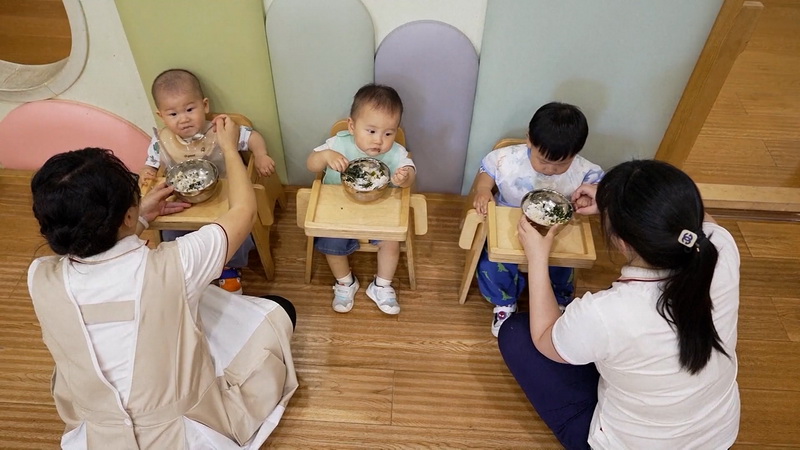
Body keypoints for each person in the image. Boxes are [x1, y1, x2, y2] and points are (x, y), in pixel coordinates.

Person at [27, 116, 298, 449]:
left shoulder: (39, 277)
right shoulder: (178, 264)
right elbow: (243, 210)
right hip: (188, 432)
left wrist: (138, 220)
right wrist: (230, 148)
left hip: (97, 435)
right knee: (280, 309)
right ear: (126, 215)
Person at [498, 160, 740, 449]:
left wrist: (538, 257)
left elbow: (543, 338)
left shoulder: (605, 313)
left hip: (625, 443)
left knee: (516, 333)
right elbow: (695, 215)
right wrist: (616, 202)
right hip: (718, 436)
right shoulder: (720, 246)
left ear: (622, 242)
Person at [138, 68, 276, 294]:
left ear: (205, 105)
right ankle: (186, 265)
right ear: (161, 116)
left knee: (238, 231)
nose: (183, 119)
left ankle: (228, 267)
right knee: (170, 232)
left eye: (189, 109)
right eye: (173, 114)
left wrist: (260, 154)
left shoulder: (220, 130)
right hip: (183, 202)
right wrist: (147, 171)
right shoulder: (161, 140)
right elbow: (152, 163)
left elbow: (252, 136)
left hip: (224, 197)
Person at [472, 102, 604, 336]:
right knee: (492, 264)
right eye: (543, 161)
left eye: (561, 164)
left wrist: (586, 199)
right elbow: (487, 171)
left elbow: (597, 186)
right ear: (529, 141)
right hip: (510, 221)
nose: (550, 169)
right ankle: (504, 302)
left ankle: (557, 301)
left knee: (563, 264)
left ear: (575, 154)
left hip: (556, 230)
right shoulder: (507, 159)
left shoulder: (584, 170)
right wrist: (483, 190)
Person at [306, 83, 416, 314]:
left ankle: (381, 285)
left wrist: (405, 177)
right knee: (330, 242)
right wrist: (325, 156)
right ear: (352, 126)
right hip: (339, 211)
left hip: (379, 210)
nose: (379, 141)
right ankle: (345, 282)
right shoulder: (338, 144)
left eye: (388, 133)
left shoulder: (395, 152)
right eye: (371, 131)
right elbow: (311, 164)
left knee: (391, 241)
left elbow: (410, 174)